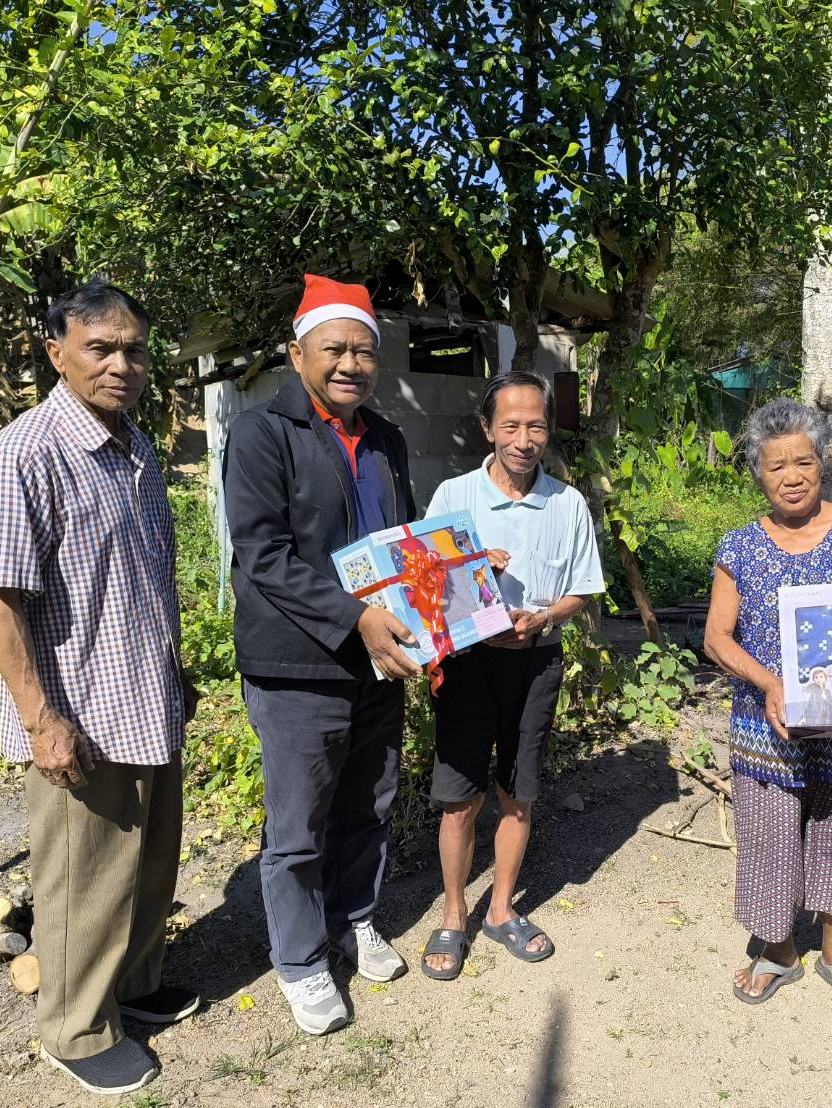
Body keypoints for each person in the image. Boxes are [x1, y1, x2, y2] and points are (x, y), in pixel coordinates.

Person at [0, 282, 198, 1096]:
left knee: (148, 865)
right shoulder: (23, 455)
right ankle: (73, 1027)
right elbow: (0, 602)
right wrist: (42, 721)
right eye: (100, 348)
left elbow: (139, 577)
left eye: (134, 349)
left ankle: (130, 986)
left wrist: (174, 670)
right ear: (57, 353)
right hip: (79, 713)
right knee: (84, 880)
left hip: (144, 694)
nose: (121, 364)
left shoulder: (134, 447)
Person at [224, 275, 419, 1035]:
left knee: (369, 802)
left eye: (363, 351)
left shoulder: (386, 437)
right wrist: (356, 617)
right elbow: (263, 555)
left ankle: (353, 917)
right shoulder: (262, 433)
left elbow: (401, 543)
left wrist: (452, 585)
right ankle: (301, 960)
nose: (350, 364)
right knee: (300, 821)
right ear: (296, 353)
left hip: (376, 657)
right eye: (334, 348)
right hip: (297, 663)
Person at [703, 398, 832, 1013]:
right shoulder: (739, 547)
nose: (791, 476)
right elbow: (716, 637)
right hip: (764, 720)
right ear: (757, 473)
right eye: (776, 464)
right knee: (768, 834)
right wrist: (770, 683)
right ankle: (780, 947)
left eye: (804, 462)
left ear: (823, 464)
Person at [418, 370, 605, 981]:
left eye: (536, 427)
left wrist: (545, 616)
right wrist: (473, 567)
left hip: (535, 662)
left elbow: (583, 587)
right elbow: (423, 583)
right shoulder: (454, 497)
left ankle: (500, 910)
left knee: (518, 794)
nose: (524, 440)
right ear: (487, 429)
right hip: (467, 667)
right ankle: (453, 914)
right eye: (511, 426)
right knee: (458, 800)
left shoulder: (567, 504)